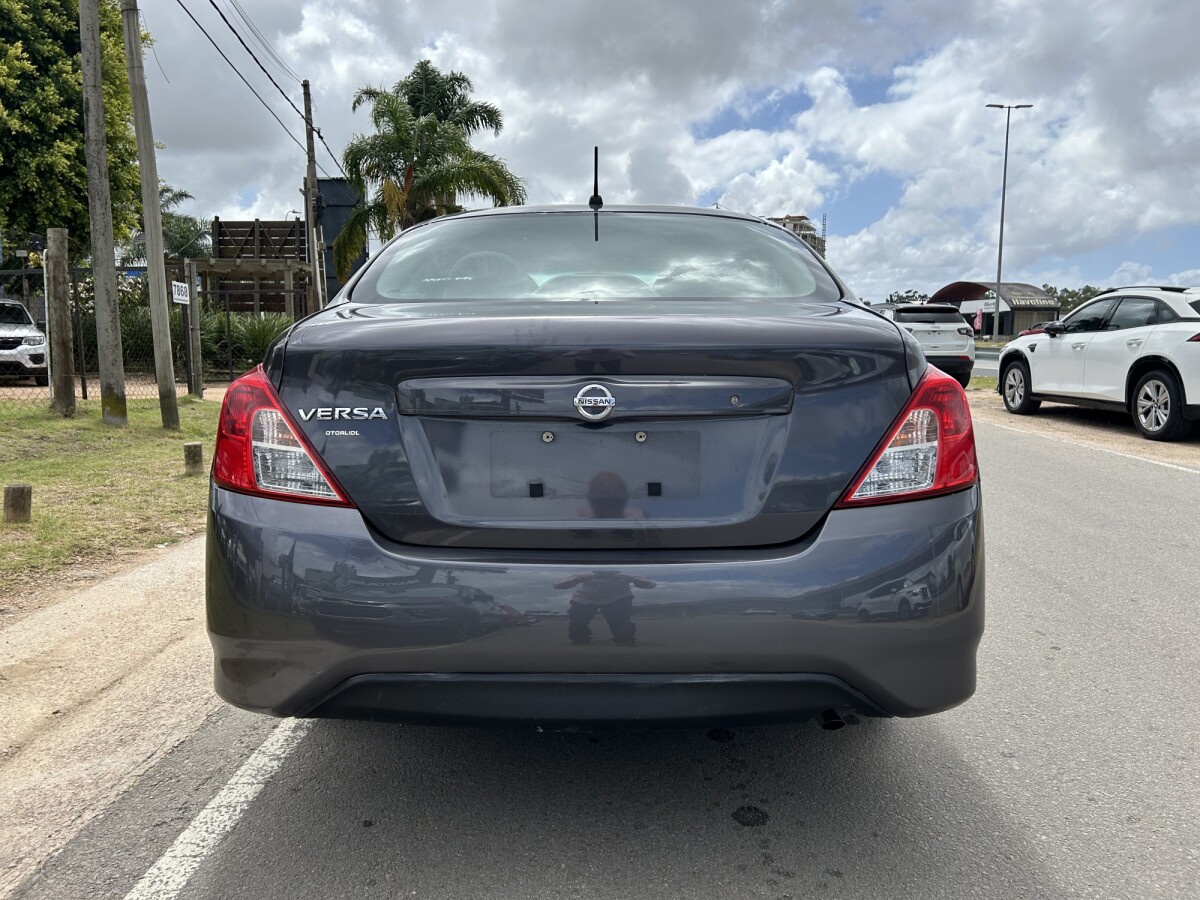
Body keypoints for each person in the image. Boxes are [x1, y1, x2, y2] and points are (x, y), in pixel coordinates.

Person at [555, 570, 655, 645]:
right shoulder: (585, 575)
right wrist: (577, 579)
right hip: (586, 598)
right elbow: (558, 585)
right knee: (578, 619)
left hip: (617, 598)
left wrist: (632, 578)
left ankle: (625, 638)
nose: (605, 575)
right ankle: (579, 638)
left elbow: (650, 585)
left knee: (620, 622)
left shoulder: (626, 574)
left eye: (608, 573)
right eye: (602, 573)